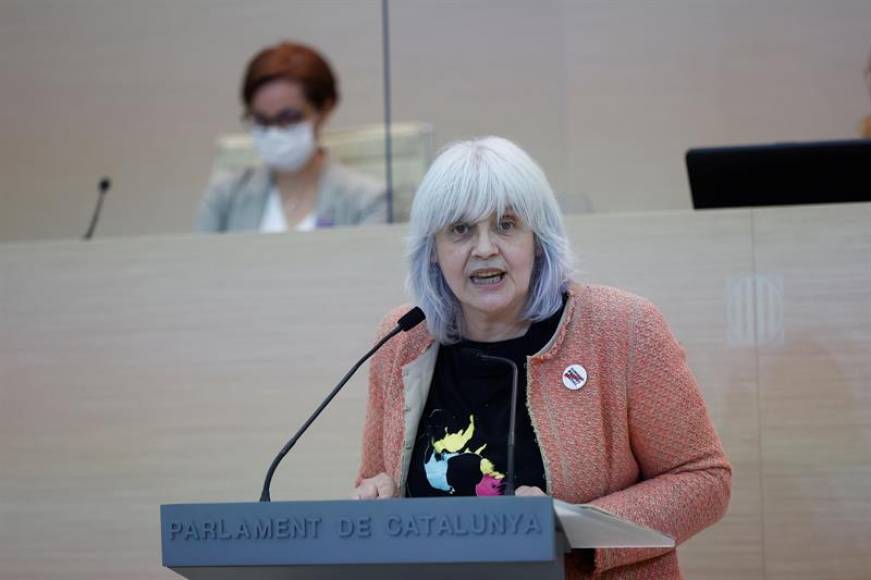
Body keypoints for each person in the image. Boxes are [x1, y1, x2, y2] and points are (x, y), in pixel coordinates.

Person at [353, 137, 731, 579]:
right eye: (459, 229)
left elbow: (704, 480)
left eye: (507, 225)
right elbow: (375, 479)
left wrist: (570, 526)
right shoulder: (401, 340)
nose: (484, 248)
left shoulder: (623, 328)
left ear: (538, 240)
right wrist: (377, 496)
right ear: (432, 251)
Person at [196, 41, 387, 233]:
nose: (273, 132)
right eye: (261, 120)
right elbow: (198, 261)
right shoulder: (224, 197)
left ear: (324, 110)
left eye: (288, 118)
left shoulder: (367, 201)